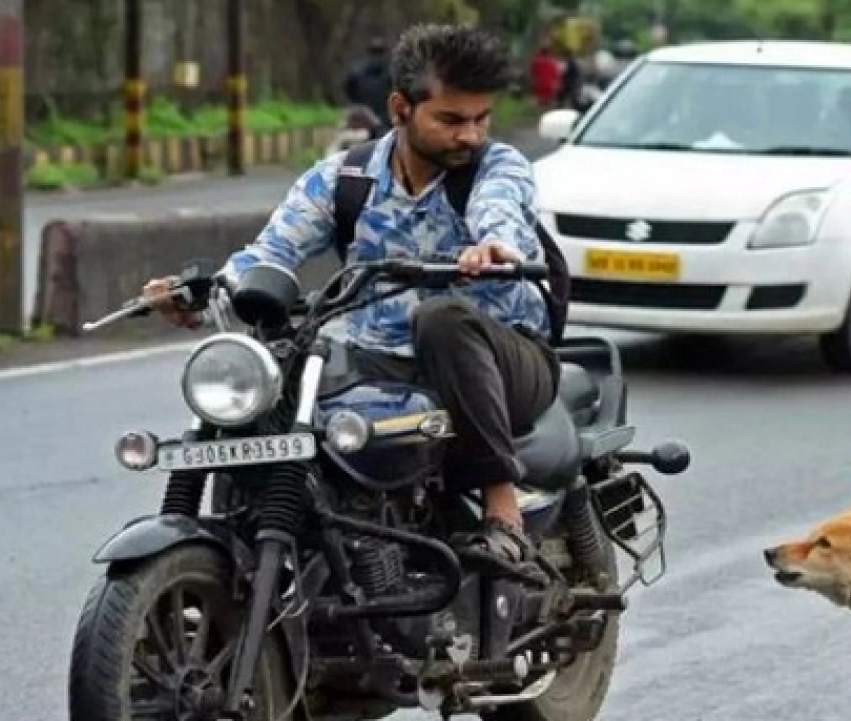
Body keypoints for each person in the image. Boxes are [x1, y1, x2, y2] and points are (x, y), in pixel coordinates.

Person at [144, 24, 560, 575]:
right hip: (381, 363)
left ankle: (501, 511)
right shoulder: (345, 179)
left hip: (505, 361)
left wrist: (493, 246)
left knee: (441, 318)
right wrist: (195, 292)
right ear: (400, 108)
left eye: (480, 119)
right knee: (282, 367)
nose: (471, 135)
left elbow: (501, 209)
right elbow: (269, 254)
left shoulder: (496, 168)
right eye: (452, 120)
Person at [343, 38, 394, 129]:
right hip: (380, 117)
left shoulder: (356, 70)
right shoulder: (390, 71)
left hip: (365, 116)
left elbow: (348, 91)